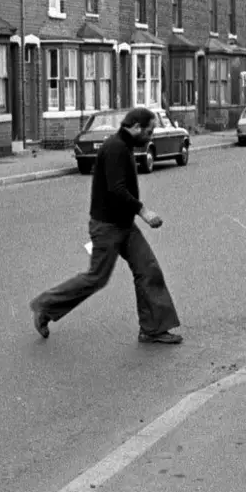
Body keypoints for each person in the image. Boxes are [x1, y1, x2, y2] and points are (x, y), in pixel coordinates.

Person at [29, 106, 183, 344]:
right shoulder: (114, 148)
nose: (151, 136)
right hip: (107, 226)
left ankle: (152, 329)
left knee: (148, 269)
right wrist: (144, 211)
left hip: (124, 224)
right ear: (134, 127)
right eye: (149, 131)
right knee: (96, 278)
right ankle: (45, 306)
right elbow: (116, 189)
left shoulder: (124, 146)